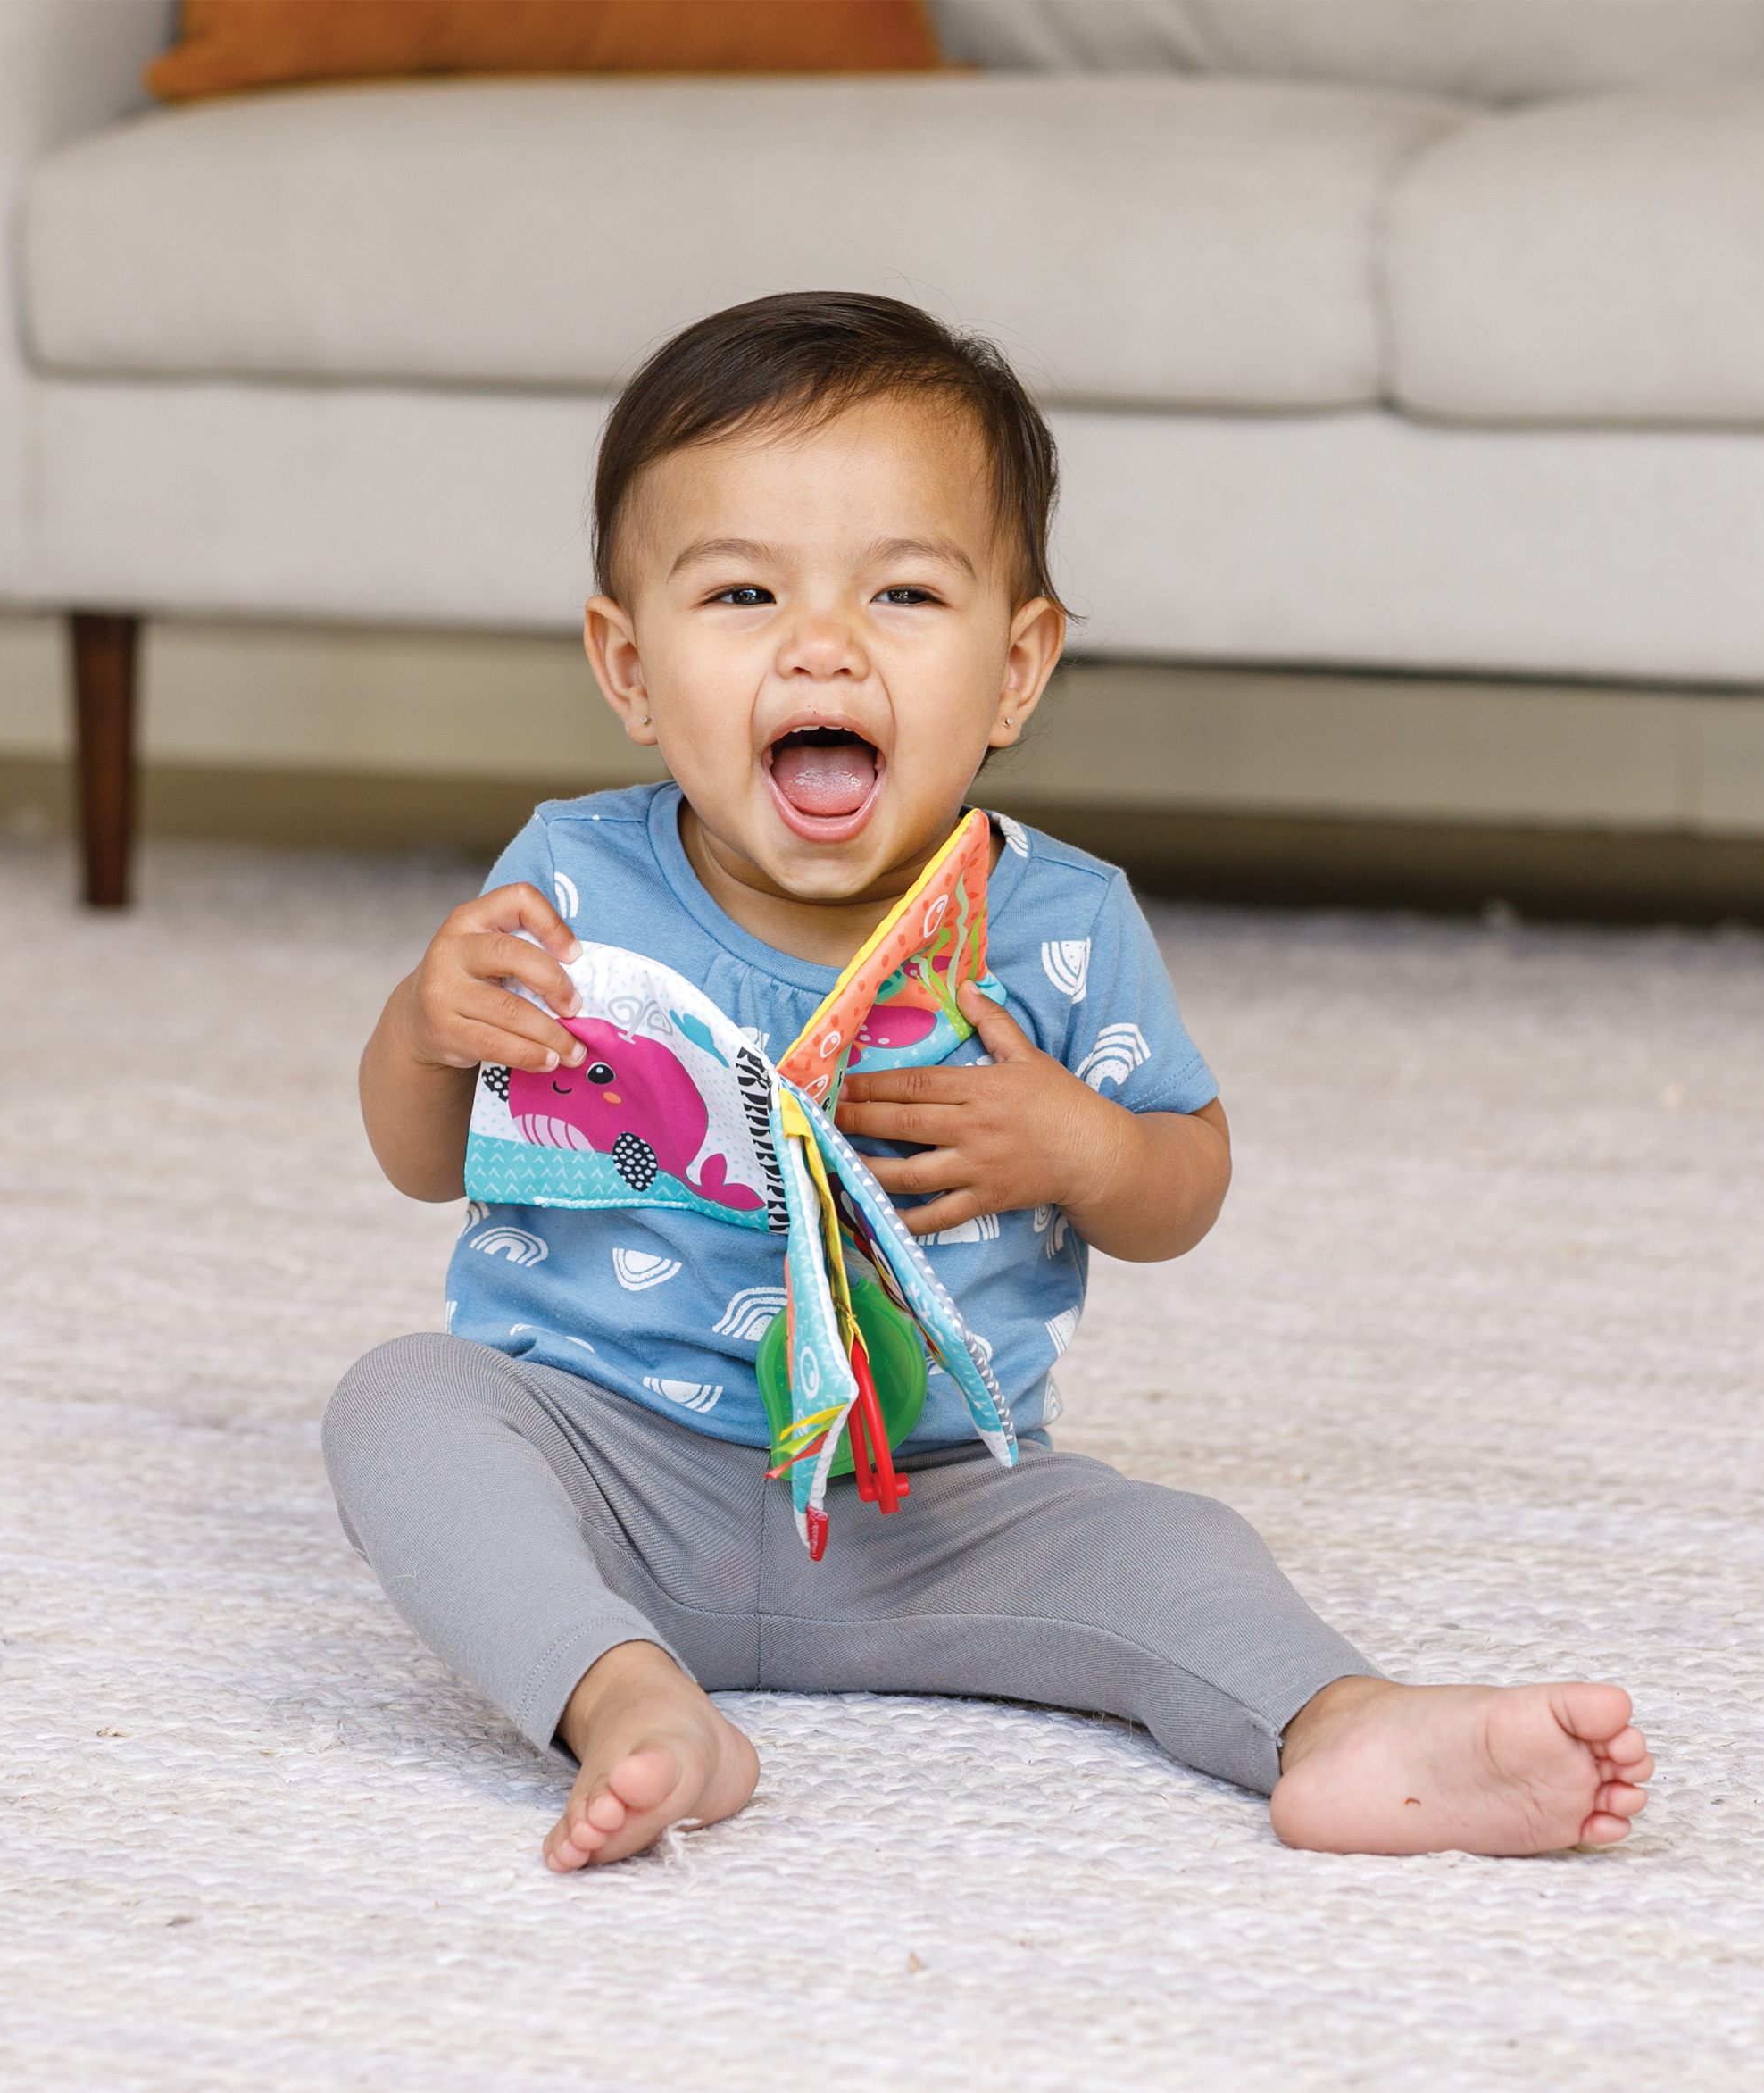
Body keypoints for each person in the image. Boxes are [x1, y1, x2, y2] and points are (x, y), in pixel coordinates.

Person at [328, 292, 1654, 1872]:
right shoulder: (568, 881)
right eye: (744, 592)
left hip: (942, 1511)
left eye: (902, 593)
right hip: (611, 1474)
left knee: (1173, 1541)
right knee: (403, 1407)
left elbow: (1187, 1182)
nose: (822, 644)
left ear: (1018, 668)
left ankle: (1344, 1726)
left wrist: (1088, 1151)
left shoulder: (1058, 926)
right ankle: (625, 1695)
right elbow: (424, 1159)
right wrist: (424, 1029)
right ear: (629, 666)